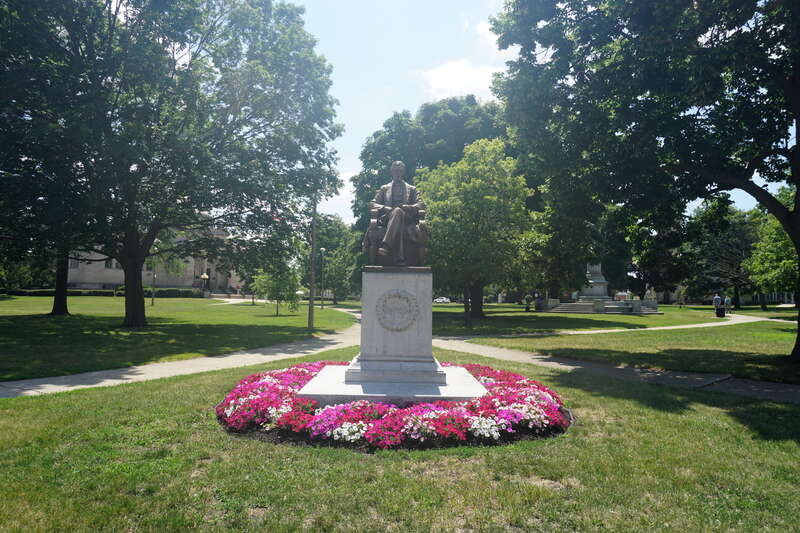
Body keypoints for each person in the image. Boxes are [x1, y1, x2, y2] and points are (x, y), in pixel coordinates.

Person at [362, 161, 427, 266]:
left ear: (403, 172)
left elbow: (422, 204)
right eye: (395, 171)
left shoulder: (412, 189)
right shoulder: (384, 188)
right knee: (397, 214)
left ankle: (386, 245)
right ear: (391, 172)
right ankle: (399, 258)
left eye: (400, 171)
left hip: (407, 218)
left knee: (398, 212)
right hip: (387, 218)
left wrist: (409, 207)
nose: (398, 173)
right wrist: (384, 208)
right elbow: (372, 204)